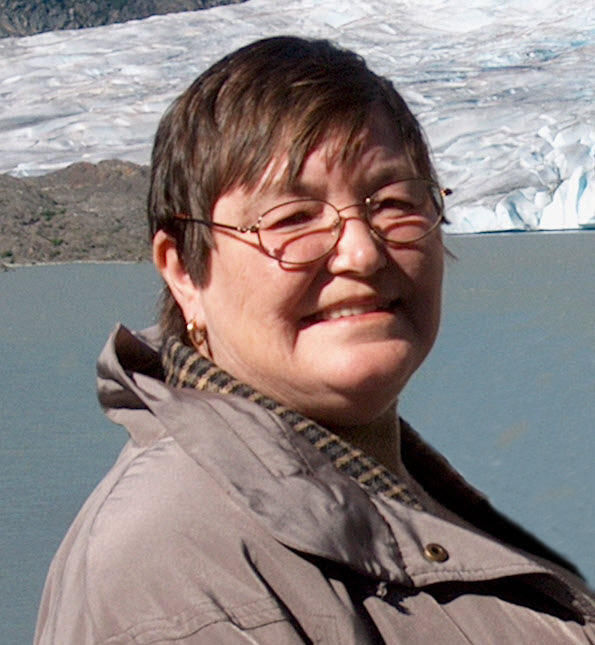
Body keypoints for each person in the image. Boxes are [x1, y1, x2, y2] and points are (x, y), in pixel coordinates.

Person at [35, 36, 594, 644]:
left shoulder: (383, 493)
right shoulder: (171, 570)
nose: (362, 252)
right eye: (293, 219)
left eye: (394, 203)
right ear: (185, 272)